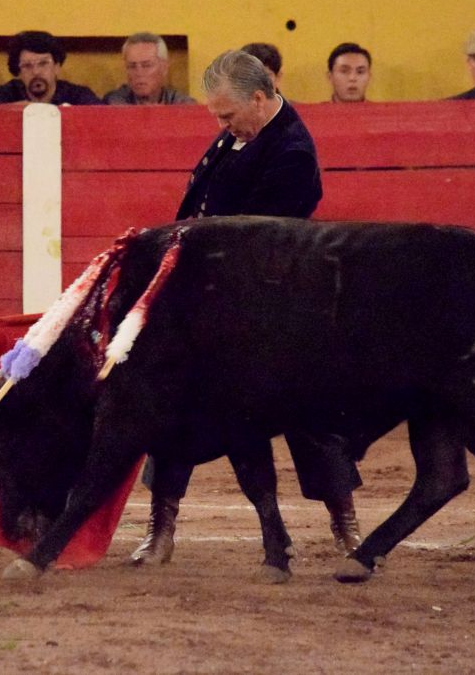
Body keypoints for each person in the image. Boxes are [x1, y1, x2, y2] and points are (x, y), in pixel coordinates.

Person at [133, 49, 362, 566]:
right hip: (214, 297)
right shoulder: (240, 133)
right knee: (173, 400)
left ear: (259, 99)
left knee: (308, 411)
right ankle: (160, 526)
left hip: (276, 305)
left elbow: (257, 240)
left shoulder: (292, 152)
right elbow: (196, 209)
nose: (221, 124)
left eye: (227, 114)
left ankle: (345, 525)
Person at [0, 31, 101, 105]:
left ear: (57, 67)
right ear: (19, 72)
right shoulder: (2, 95)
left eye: (43, 63)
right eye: (27, 66)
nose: (36, 72)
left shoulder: (78, 96)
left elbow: (99, 117)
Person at [103, 32, 195, 105]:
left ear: (164, 68)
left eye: (146, 65)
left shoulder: (182, 105)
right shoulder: (113, 103)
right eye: (132, 66)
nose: (139, 73)